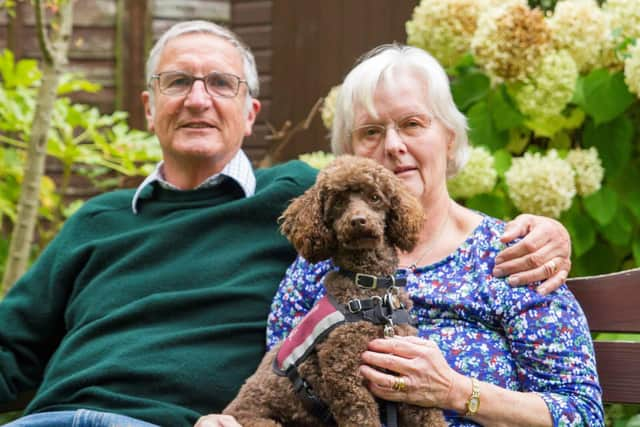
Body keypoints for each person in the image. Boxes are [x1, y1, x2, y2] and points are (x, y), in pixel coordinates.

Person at [0, 21, 571, 427]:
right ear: (148, 106)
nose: (198, 99)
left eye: (221, 83)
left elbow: (578, 407)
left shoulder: (295, 196)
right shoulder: (98, 220)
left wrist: (551, 232)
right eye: (177, 82)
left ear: (250, 113)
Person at [202, 45, 603, 426]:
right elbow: (283, 391)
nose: (393, 146)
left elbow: (582, 413)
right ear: (349, 152)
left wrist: (456, 391)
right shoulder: (317, 269)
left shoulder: (512, 257)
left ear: (449, 137)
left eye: (412, 124)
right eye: (371, 132)